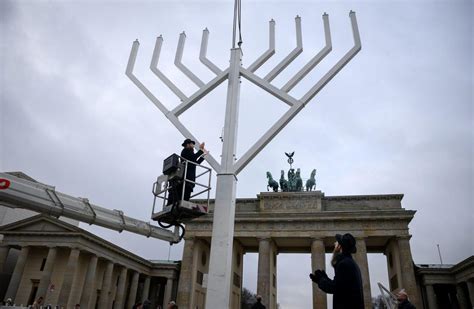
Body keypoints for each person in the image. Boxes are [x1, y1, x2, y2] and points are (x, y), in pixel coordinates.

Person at [309, 233, 364, 309]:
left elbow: (335, 288)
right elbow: (341, 287)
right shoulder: (351, 264)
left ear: (339, 246)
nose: (334, 243)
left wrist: (321, 280)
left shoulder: (344, 264)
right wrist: (325, 279)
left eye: (337, 242)